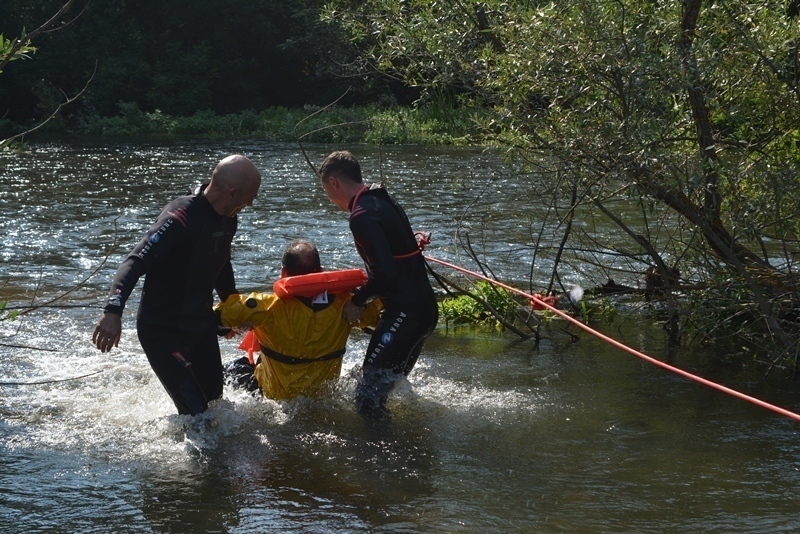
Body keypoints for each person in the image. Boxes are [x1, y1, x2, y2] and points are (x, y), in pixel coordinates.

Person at [92, 154, 262, 415]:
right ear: (231, 192)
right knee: (197, 415)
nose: (250, 203)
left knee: (216, 406)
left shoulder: (229, 218)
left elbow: (221, 263)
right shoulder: (180, 216)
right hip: (163, 330)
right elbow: (134, 261)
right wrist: (112, 311)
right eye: (250, 196)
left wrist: (233, 311)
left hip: (201, 324)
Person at [318, 150, 438, 416]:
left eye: (327, 191)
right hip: (425, 311)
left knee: (367, 399)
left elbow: (384, 275)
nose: (330, 199)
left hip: (404, 314)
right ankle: (407, 450)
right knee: (384, 391)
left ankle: (383, 457)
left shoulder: (360, 215)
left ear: (334, 182)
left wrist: (357, 301)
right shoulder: (381, 197)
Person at [215, 239, 382, 400]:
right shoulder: (348, 306)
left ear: (283, 273)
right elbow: (379, 319)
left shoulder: (267, 307)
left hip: (272, 398)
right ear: (321, 272)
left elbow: (215, 317)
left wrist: (231, 327)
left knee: (228, 370)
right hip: (323, 397)